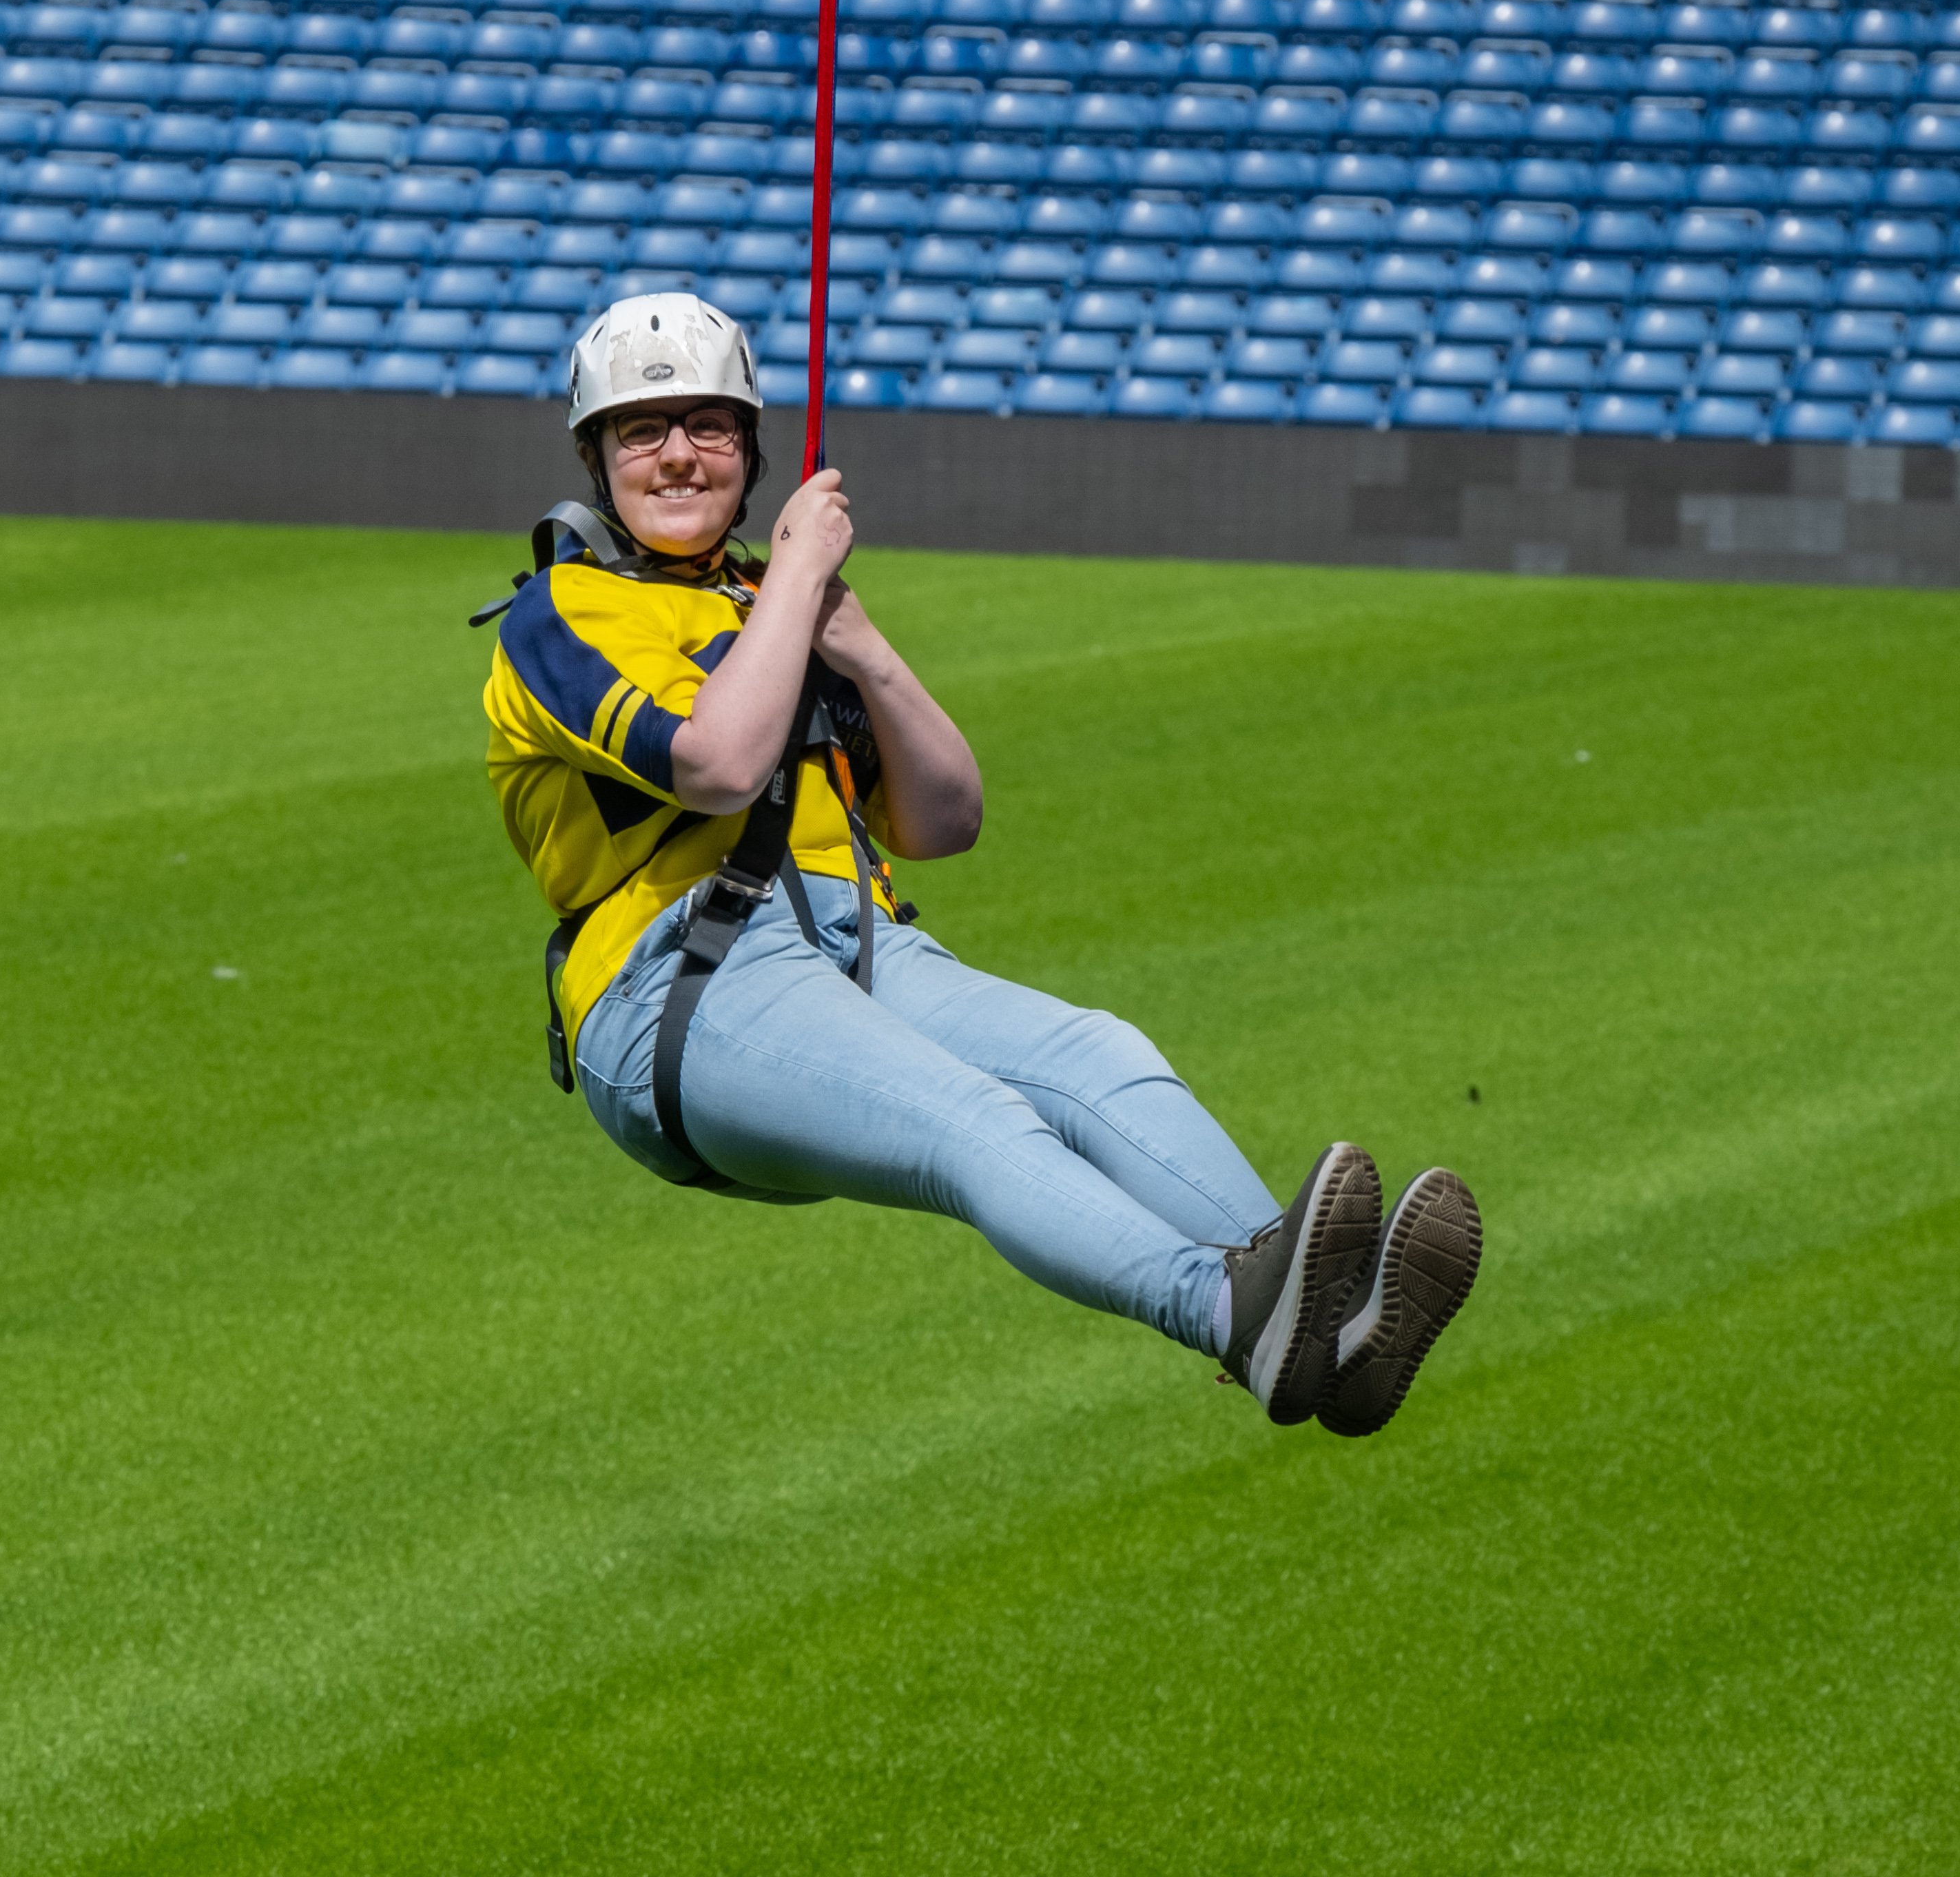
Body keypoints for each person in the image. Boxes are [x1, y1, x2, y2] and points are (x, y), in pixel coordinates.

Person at [480, 295, 1482, 1433]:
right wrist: (800, 582)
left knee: (1098, 1056)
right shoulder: (559, 614)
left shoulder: (780, 604)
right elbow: (714, 763)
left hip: (856, 946)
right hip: (677, 984)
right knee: (976, 1123)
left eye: (708, 425)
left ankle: (1320, 1327)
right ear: (596, 457)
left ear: (751, 448)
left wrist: (866, 648)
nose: (676, 456)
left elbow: (949, 817)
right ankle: (1227, 1311)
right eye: (639, 431)